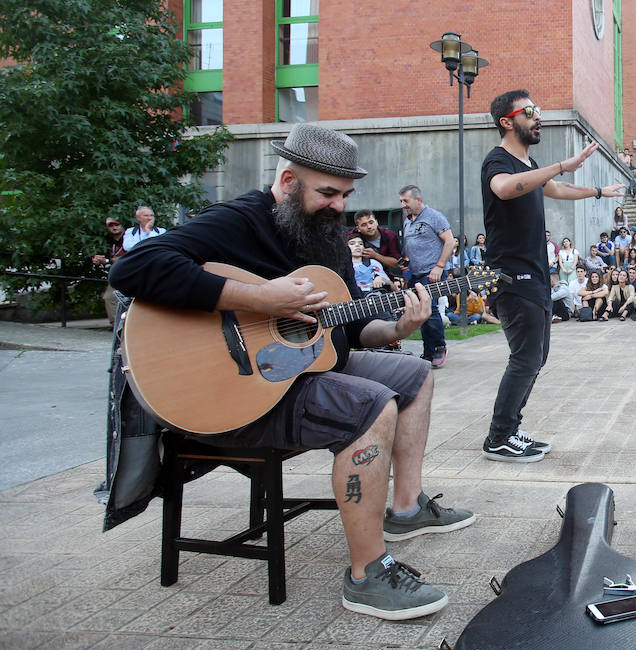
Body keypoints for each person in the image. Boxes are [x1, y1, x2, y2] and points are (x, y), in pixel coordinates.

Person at [109, 123, 468, 621]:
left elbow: (350, 328)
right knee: (370, 405)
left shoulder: (330, 241)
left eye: (345, 194)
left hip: (301, 372)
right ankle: (367, 574)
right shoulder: (240, 220)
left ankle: (406, 508)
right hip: (233, 389)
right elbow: (132, 269)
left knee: (412, 375)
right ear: (286, 181)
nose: (339, 206)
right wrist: (262, 298)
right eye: (327, 193)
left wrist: (399, 326)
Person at [480, 89, 624, 462]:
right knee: (526, 358)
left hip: (536, 274)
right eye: (529, 111)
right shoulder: (498, 161)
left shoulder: (530, 165)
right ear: (507, 122)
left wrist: (596, 191)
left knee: (536, 357)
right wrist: (562, 164)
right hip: (511, 276)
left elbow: (553, 188)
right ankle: (499, 436)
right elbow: (504, 188)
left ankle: (509, 430)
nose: (537, 115)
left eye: (537, 109)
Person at [399, 185, 456, 369]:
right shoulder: (408, 221)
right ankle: (429, 352)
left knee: (429, 310)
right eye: (401, 201)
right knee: (421, 314)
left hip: (431, 272)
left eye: (405, 201)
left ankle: (439, 347)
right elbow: (410, 245)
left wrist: (439, 266)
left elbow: (450, 241)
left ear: (418, 200)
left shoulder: (434, 216)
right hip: (415, 274)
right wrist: (406, 260)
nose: (403, 205)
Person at [348, 210, 406, 283]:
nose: (369, 227)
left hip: (384, 275)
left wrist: (375, 256)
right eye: (363, 225)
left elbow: (396, 263)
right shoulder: (351, 236)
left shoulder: (390, 236)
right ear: (358, 228)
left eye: (371, 222)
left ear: (376, 222)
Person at [93, 215, 127, 323]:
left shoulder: (130, 238)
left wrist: (108, 260)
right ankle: (116, 324)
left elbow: (129, 257)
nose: (114, 227)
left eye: (117, 224)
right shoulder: (107, 241)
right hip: (116, 273)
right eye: (111, 225)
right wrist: (97, 259)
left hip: (131, 272)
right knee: (109, 297)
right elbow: (105, 257)